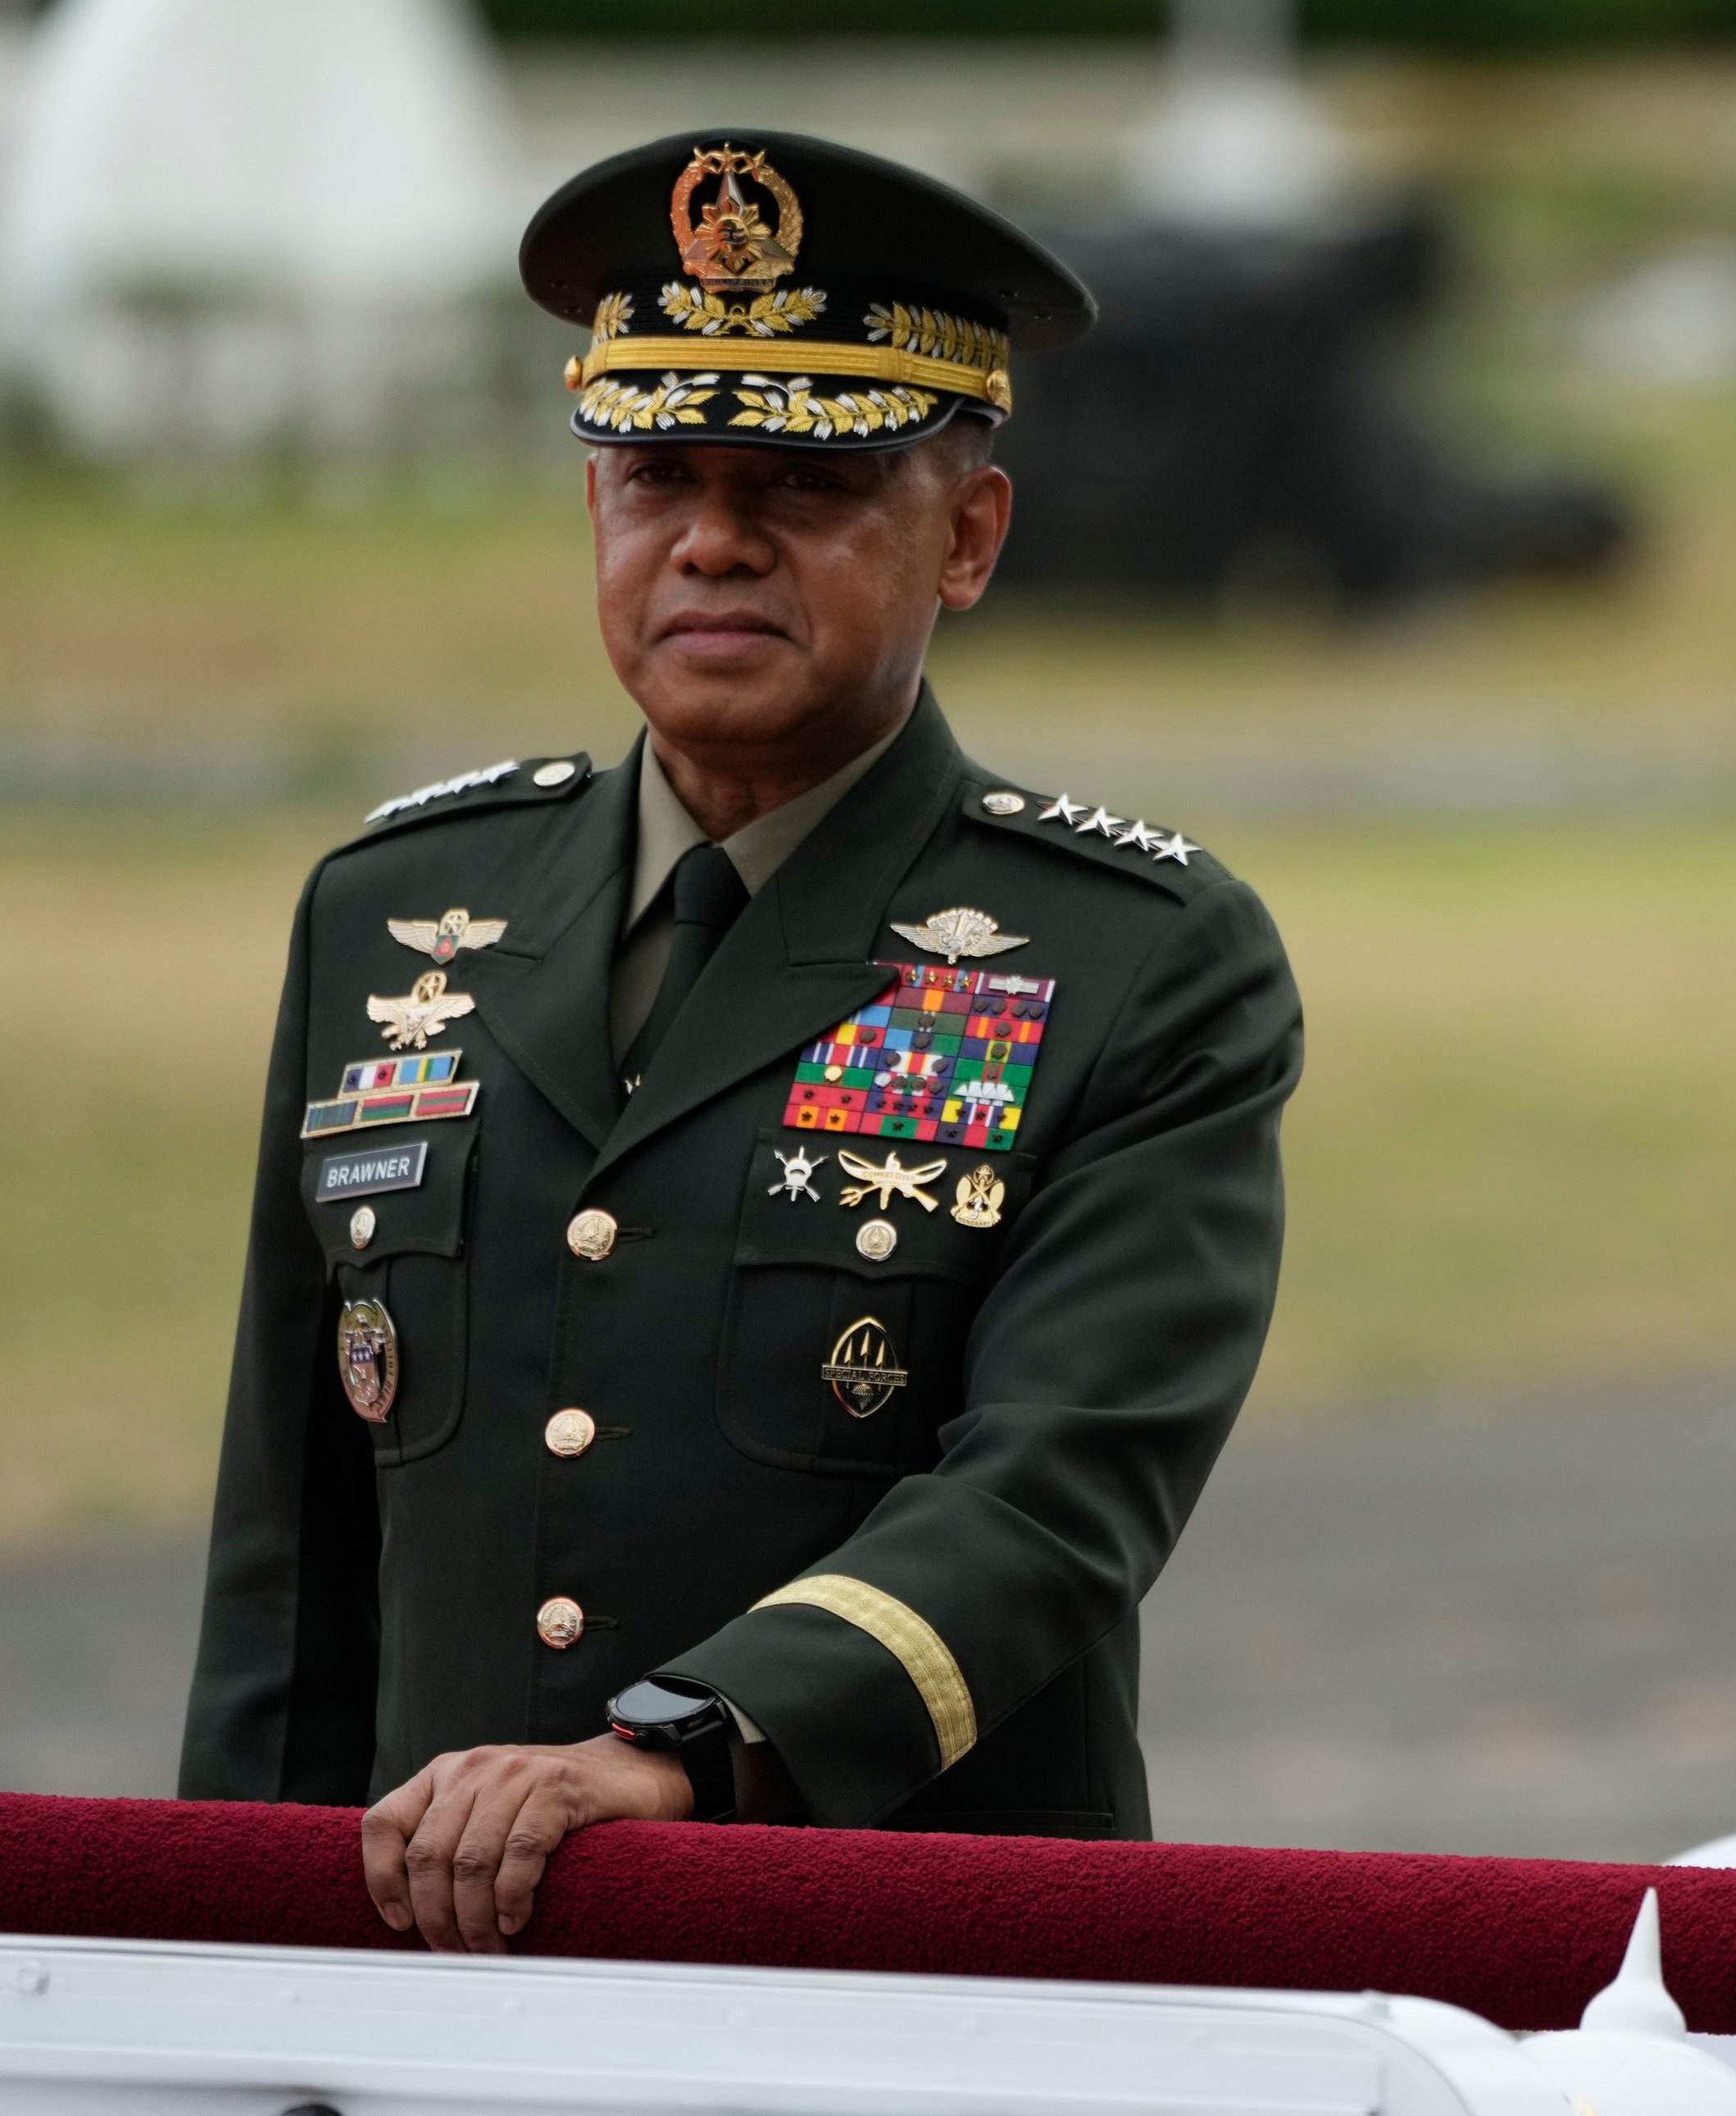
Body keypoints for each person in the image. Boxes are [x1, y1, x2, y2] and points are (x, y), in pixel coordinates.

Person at [179, 132, 1302, 1954]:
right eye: (654, 477)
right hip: (437, 1980)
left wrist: (684, 1746)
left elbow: (1059, 1490)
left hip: (914, 1975)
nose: (711, 536)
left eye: (801, 479)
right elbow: (293, 1557)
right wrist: (224, 1958)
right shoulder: (397, 912)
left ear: (972, 537)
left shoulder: (1137, 960)